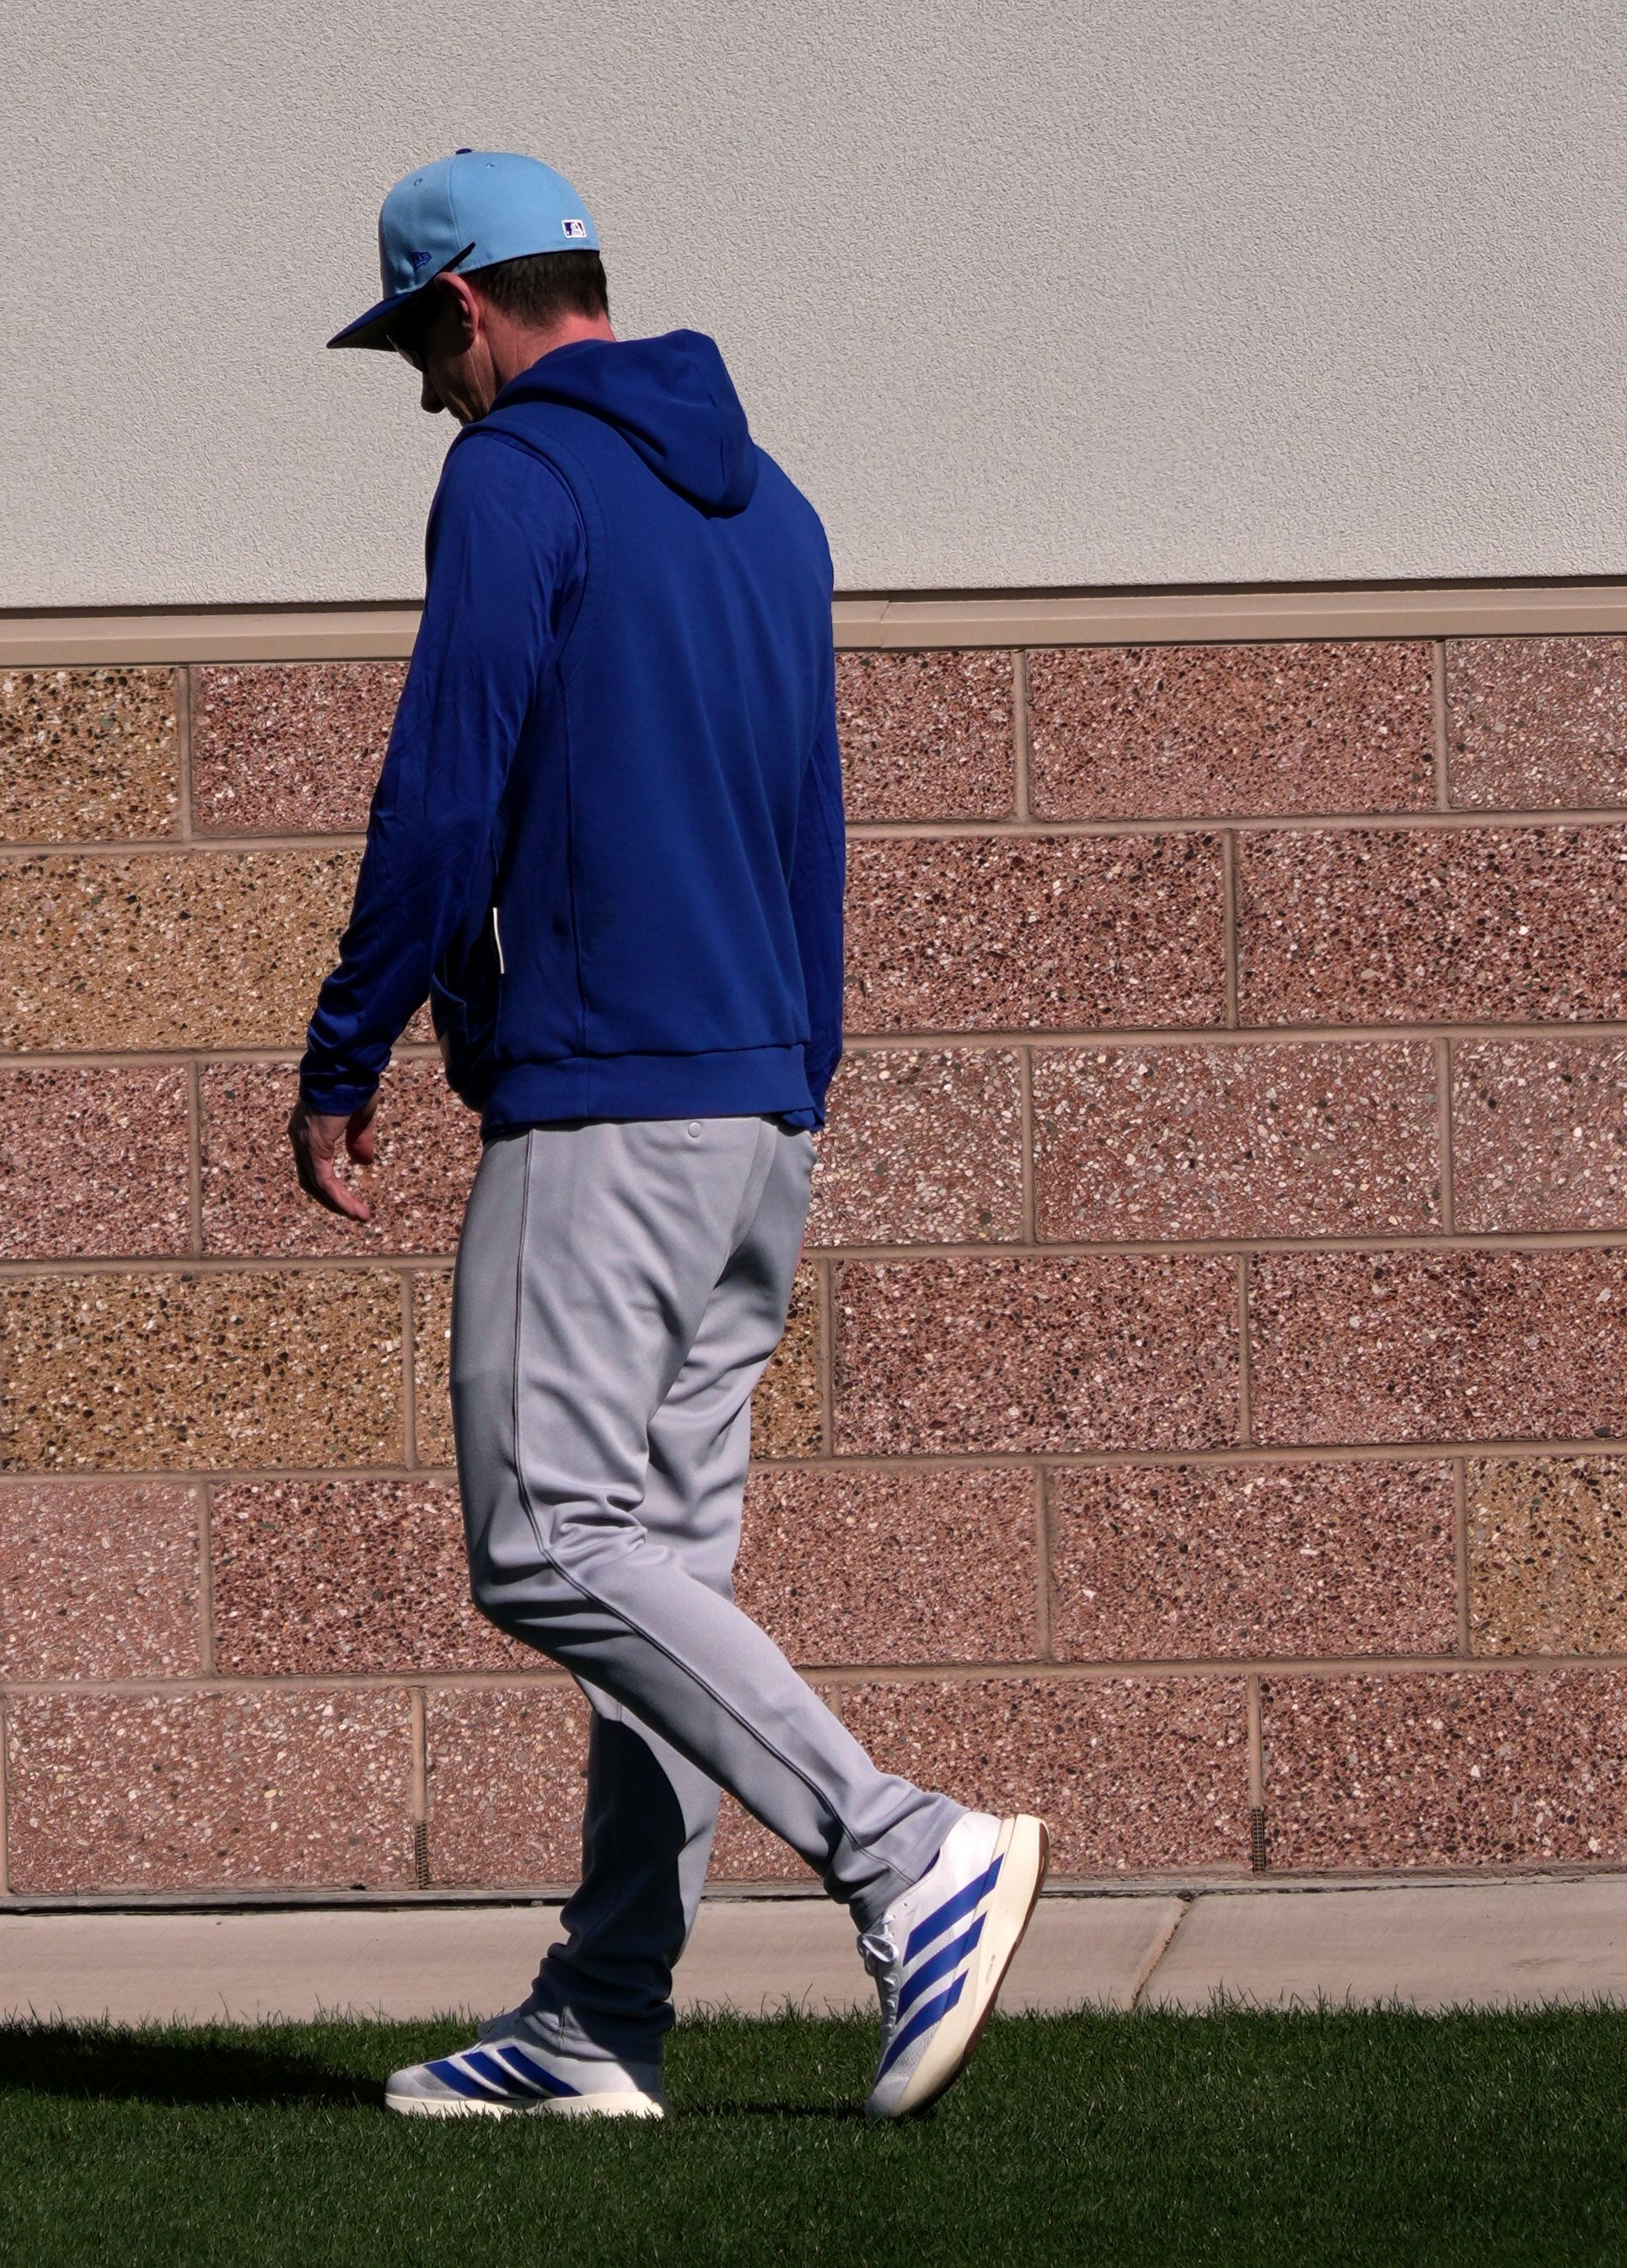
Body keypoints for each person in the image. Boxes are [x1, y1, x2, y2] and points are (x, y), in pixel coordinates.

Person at [289, 148, 1039, 2130]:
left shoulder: (513, 473)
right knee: (659, 1578)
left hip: (611, 1100)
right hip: (753, 1107)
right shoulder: (772, 502)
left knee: (543, 1541)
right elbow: (814, 811)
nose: (424, 393)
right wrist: (800, 1068)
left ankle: (900, 1850)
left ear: (468, 310)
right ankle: (602, 2008)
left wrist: (350, 1038)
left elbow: (444, 778)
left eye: (416, 352)